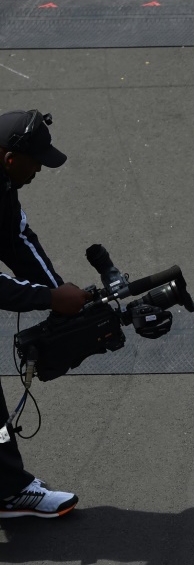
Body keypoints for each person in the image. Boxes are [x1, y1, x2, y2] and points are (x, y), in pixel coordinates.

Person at [0, 109, 87, 518]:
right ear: (10, 157)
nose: (39, 169)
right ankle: (10, 490)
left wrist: (56, 290)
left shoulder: (4, 183)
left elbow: (17, 240)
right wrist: (49, 299)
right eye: (36, 161)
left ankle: (8, 489)